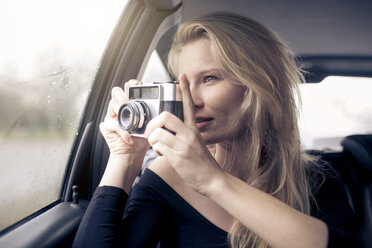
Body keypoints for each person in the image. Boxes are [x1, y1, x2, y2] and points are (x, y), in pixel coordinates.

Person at [72, 12, 361, 248]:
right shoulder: (165, 177)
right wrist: (125, 159)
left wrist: (214, 180)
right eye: (183, 84)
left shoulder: (315, 178)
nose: (191, 100)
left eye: (209, 79)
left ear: (260, 85)